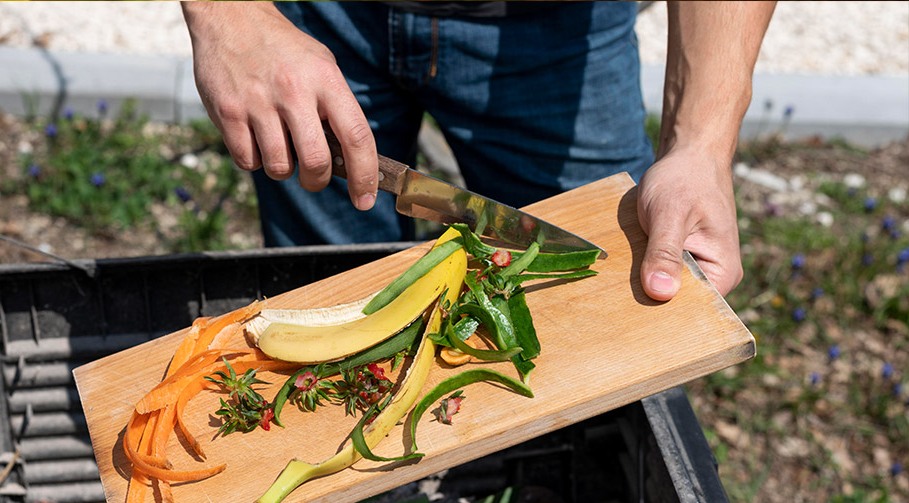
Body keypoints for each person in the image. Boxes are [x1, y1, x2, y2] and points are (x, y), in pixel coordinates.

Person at [182, 1, 776, 301]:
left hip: (558, 29)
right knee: (331, 297)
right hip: (302, 25)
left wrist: (699, 142)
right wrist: (230, 15)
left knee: (610, 293)